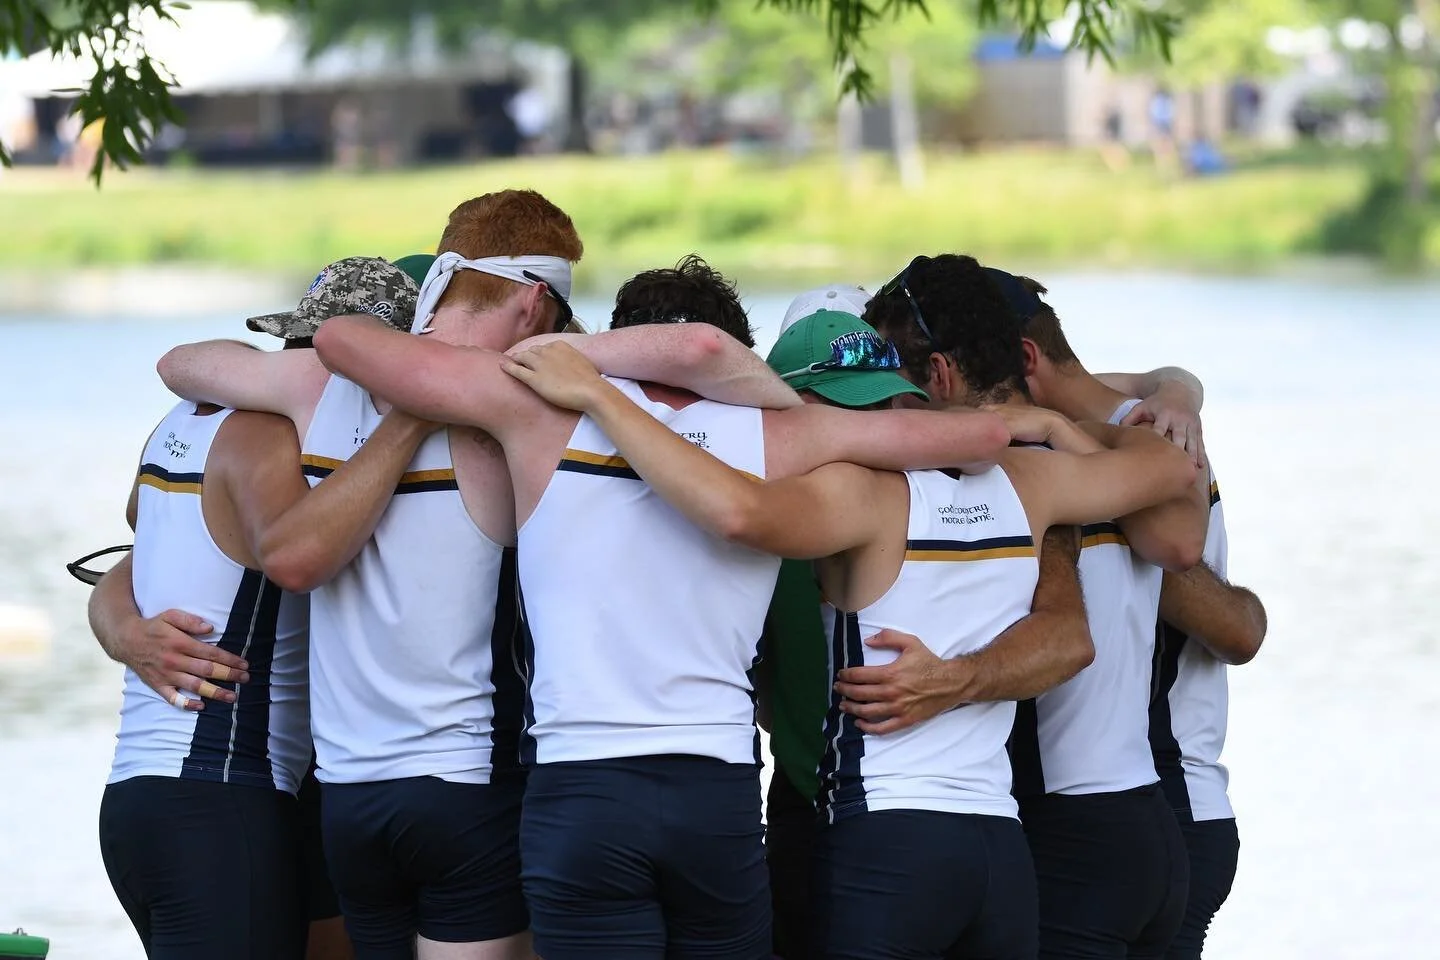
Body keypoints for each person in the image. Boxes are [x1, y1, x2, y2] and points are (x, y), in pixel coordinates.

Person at [153, 206, 813, 959]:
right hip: (470, 786)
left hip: (348, 795)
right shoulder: (516, 406)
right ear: (536, 304)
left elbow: (180, 363)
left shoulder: (317, 385)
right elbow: (697, 358)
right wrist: (575, 358)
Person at [311, 255, 1015, 960]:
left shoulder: (537, 415)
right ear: (738, 343)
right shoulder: (788, 435)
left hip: (580, 791)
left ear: (624, 342)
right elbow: (984, 437)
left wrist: (572, 359)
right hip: (714, 793)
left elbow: (341, 341)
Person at [493, 267, 1196, 960]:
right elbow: (1169, 469)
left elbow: (735, 510)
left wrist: (604, 401)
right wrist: (1113, 411)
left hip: (881, 847)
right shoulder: (1028, 482)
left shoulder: (844, 497)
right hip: (997, 849)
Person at [88, 253, 465, 960]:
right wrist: (417, 414)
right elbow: (295, 560)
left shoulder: (185, 421)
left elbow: (140, 549)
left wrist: (123, 628)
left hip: (143, 796)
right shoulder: (277, 441)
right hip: (221, 794)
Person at [871, 262, 1206, 959]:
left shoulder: (1013, 472)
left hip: (1065, 837)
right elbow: (1177, 497)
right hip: (1148, 826)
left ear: (937, 376)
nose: (882, 412)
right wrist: (1156, 393)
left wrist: (952, 680)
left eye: (890, 385)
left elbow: (1067, 639)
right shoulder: (1106, 448)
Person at [755, 310, 1092, 960]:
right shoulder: (824, 493)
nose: (875, 428)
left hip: (884, 830)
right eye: (845, 409)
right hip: (901, 822)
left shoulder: (861, 494)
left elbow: (1077, 635)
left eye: (884, 405)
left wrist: (1052, 428)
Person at [974, 269, 1267, 960]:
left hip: (1160, 802)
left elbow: (1234, 624)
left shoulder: (1135, 446)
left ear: (1021, 360)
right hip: (1150, 813)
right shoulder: (1142, 421)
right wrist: (1175, 383)